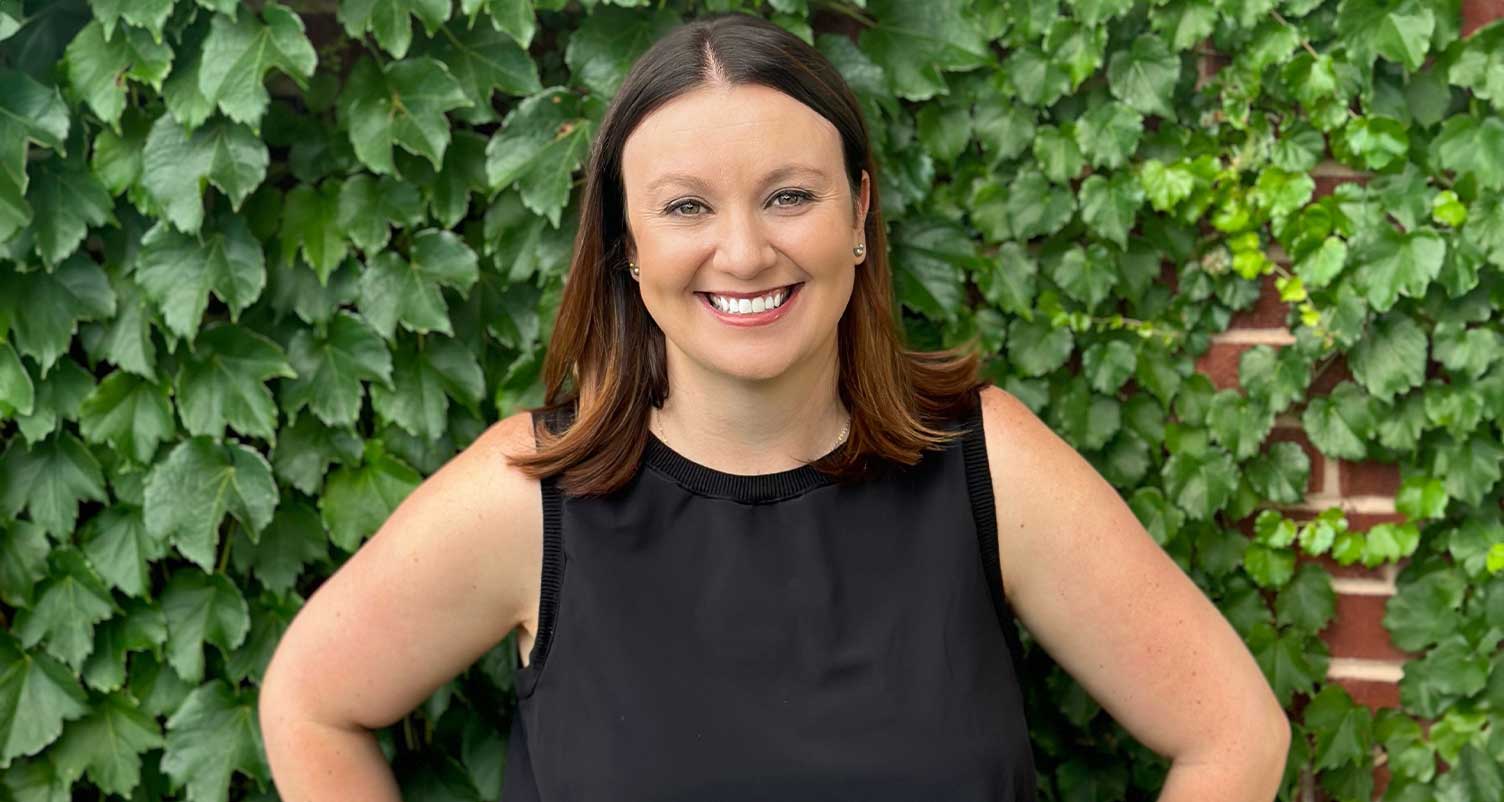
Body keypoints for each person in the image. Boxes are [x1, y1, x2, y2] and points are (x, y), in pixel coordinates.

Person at [259, 12, 1291, 802]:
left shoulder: (985, 464)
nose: (744, 251)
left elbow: (1235, 731)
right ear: (625, 246)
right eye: (686, 207)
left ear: (859, 214)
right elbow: (311, 704)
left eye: (789, 195)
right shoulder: (528, 500)